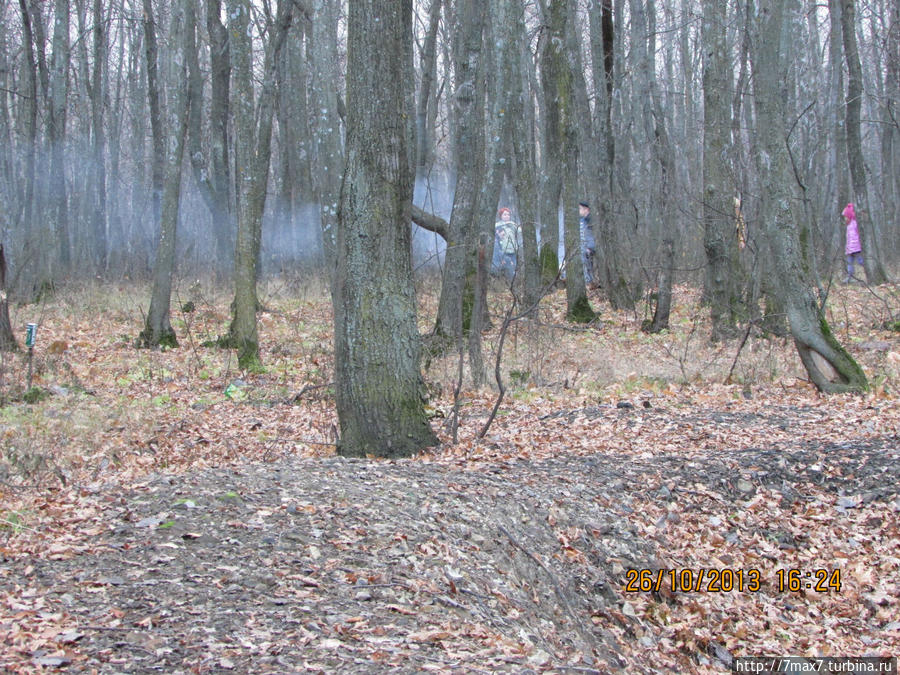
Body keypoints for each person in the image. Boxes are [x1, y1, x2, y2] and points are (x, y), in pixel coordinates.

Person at [494, 207, 519, 281]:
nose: (507, 216)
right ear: (501, 216)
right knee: (506, 267)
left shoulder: (513, 225)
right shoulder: (497, 225)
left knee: (514, 267)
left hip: (513, 250)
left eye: (508, 214)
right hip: (502, 251)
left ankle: (513, 282)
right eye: (505, 214)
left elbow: (519, 231)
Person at [842, 202, 863, 283]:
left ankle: (871, 273)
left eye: (846, 217)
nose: (845, 219)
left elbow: (857, 236)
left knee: (860, 261)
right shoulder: (849, 225)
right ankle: (849, 278)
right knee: (849, 263)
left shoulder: (855, 224)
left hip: (856, 248)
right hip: (850, 249)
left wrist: (857, 246)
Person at [579, 201, 596, 285]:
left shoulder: (591, 220)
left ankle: (591, 281)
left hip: (590, 248)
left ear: (586, 209)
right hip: (584, 247)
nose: (579, 210)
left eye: (580, 209)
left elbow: (591, 236)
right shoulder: (582, 220)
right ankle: (589, 281)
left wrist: (590, 247)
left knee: (590, 266)